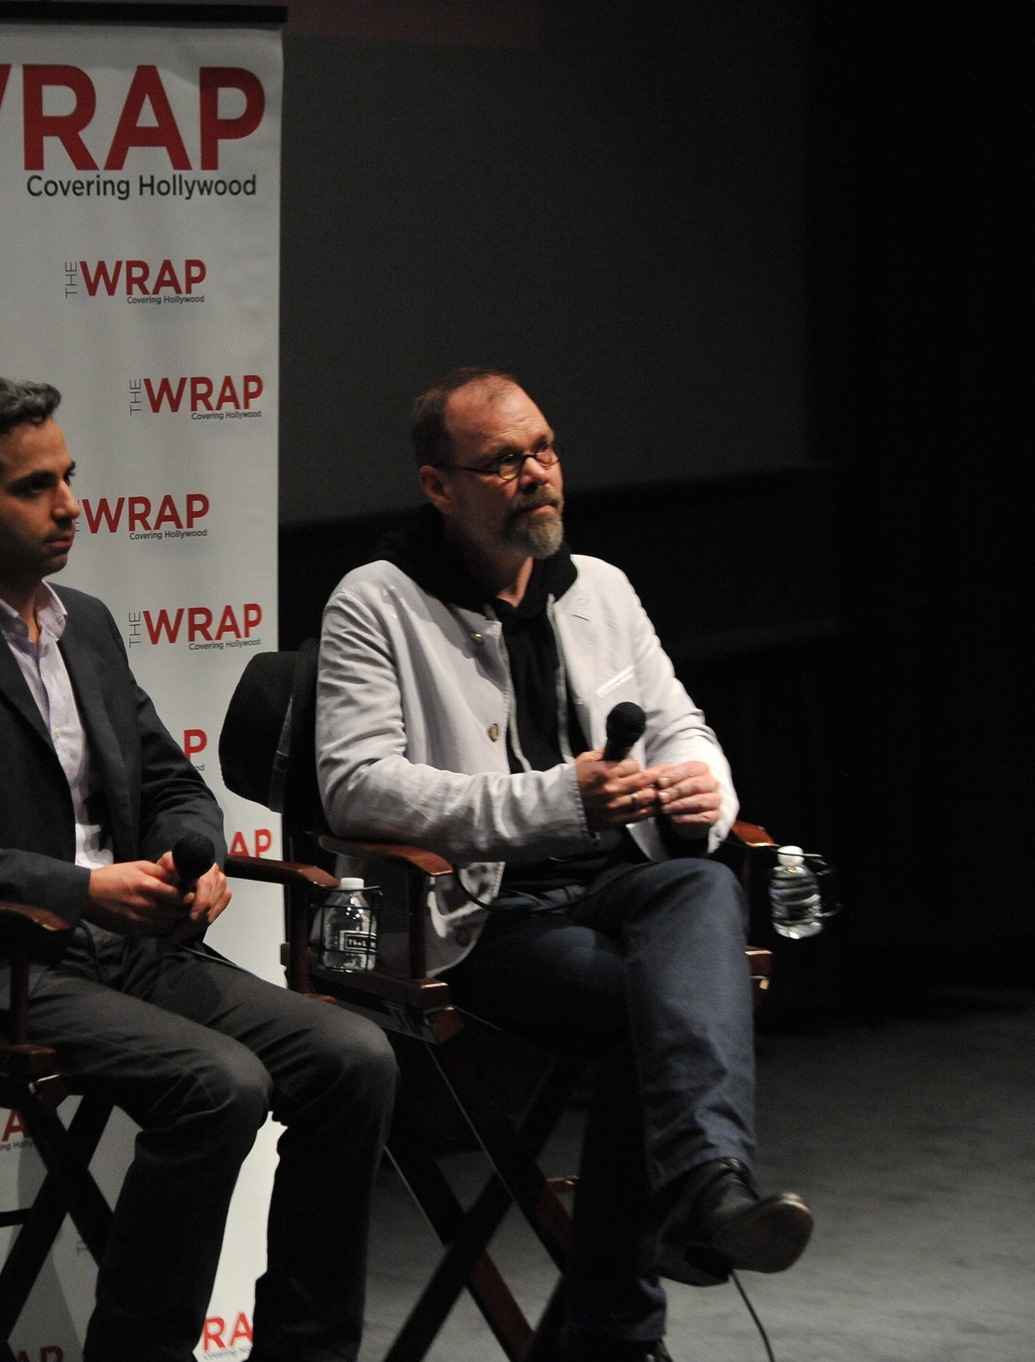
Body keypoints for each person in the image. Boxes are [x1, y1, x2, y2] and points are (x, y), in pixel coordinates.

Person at [0, 377, 396, 1362]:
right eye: (33, 487)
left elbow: (173, 780)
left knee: (354, 1059)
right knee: (218, 1084)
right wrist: (78, 889)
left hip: (122, 954)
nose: (69, 505)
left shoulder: (81, 621)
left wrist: (195, 858)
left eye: (69, 477)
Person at [313, 368, 814, 1362]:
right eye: (501, 461)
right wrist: (552, 803)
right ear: (437, 485)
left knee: (701, 880)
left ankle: (692, 1205)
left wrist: (697, 786)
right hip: (477, 915)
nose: (534, 473)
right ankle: (641, 1292)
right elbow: (355, 789)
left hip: (613, 885)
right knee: (657, 1007)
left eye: (541, 450)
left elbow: (678, 722)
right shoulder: (375, 604)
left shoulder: (599, 589)